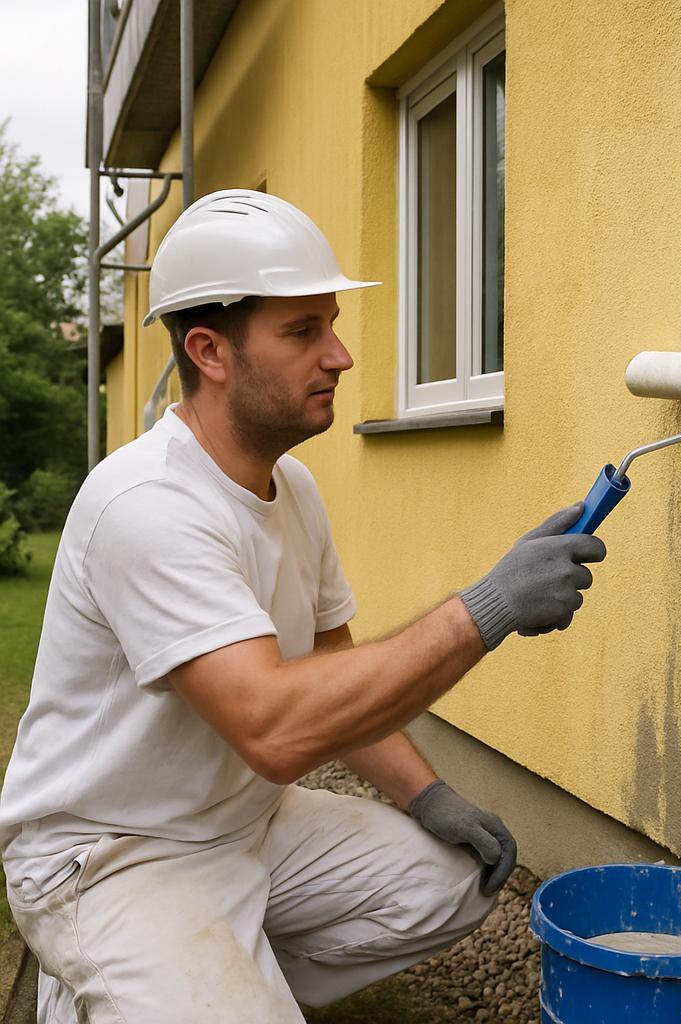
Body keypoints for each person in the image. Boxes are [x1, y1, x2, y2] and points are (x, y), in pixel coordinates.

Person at [0, 190, 606, 1024]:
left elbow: (331, 671)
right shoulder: (145, 504)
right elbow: (275, 730)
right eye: (302, 332)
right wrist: (488, 609)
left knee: (450, 882)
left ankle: (206, 975)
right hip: (113, 855)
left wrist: (429, 797)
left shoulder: (293, 487)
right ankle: (117, 982)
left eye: (331, 325)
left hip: (243, 826)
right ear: (209, 351)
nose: (341, 356)